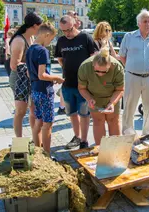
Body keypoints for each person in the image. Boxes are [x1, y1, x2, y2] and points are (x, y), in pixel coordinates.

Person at [55, 15, 98, 149]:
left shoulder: (85, 38)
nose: (67, 33)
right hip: (68, 84)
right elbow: (60, 58)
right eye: (64, 31)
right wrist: (66, 68)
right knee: (72, 113)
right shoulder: (61, 41)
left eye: (69, 29)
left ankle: (84, 141)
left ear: (75, 24)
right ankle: (77, 137)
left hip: (84, 86)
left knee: (84, 114)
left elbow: (95, 58)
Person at [119, 9, 149, 135]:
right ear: (138, 23)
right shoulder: (129, 36)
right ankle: (128, 134)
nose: (147, 24)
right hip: (132, 77)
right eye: (145, 21)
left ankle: (147, 133)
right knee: (129, 106)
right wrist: (132, 68)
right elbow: (122, 56)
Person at [26, 23, 64, 155]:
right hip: (44, 91)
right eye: (51, 39)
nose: (51, 42)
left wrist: (48, 78)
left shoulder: (30, 49)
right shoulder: (43, 51)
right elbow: (42, 75)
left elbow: (29, 73)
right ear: (46, 35)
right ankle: (47, 155)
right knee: (48, 124)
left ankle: (37, 151)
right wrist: (57, 78)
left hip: (35, 90)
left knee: (38, 121)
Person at [78, 48, 124, 145]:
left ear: (110, 66)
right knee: (98, 121)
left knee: (113, 121)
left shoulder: (117, 67)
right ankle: (101, 148)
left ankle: (115, 148)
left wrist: (112, 103)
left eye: (104, 72)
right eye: (97, 71)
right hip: (94, 97)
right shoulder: (84, 67)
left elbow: (120, 89)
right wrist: (89, 99)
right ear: (93, 64)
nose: (100, 74)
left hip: (112, 96)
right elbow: (82, 88)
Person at [9, 12, 43, 137]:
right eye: (41, 26)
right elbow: (14, 65)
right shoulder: (19, 40)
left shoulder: (32, 38)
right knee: (20, 111)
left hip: (31, 78)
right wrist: (32, 67)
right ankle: (19, 141)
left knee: (33, 111)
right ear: (34, 26)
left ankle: (35, 141)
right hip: (19, 79)